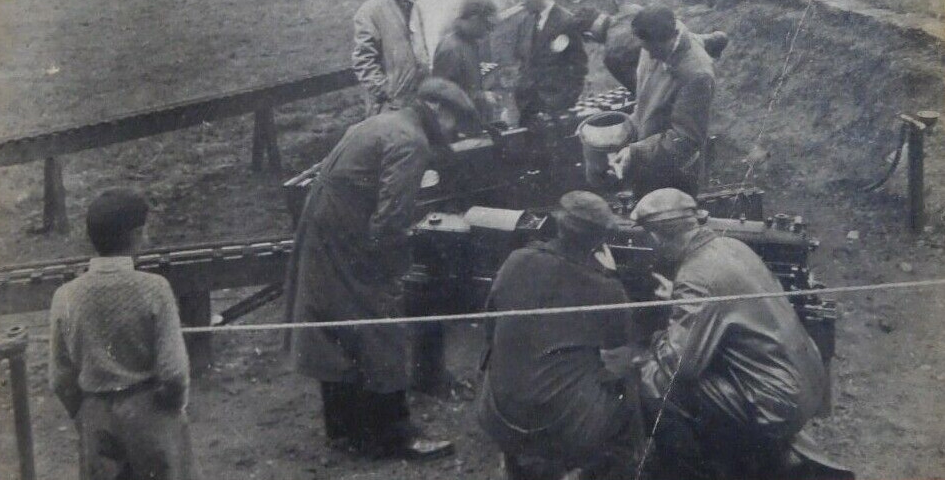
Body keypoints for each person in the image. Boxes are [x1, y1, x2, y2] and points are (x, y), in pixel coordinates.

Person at [284, 78, 479, 461]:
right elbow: (389, 221)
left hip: (324, 230)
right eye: (455, 121)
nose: (455, 131)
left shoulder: (383, 121)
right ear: (437, 110)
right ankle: (395, 435)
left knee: (335, 326)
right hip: (350, 238)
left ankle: (344, 430)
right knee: (381, 326)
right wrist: (395, 269)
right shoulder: (411, 142)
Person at [628, 188, 837, 480]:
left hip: (776, 403)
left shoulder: (696, 276)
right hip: (804, 381)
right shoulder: (731, 246)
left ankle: (695, 472)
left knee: (653, 379)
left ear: (656, 237)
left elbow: (680, 366)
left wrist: (645, 346)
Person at [477, 191, 644, 480]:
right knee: (632, 383)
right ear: (601, 238)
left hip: (497, 414)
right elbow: (618, 361)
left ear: (557, 223)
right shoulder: (607, 288)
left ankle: (518, 460)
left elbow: (490, 325)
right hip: (562, 426)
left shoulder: (517, 260)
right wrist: (611, 275)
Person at [49, 189, 201, 480]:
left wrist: (85, 412)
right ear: (136, 235)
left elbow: (59, 377)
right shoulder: (154, 289)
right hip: (150, 414)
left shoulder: (65, 296)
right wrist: (170, 409)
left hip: (96, 418)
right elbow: (174, 372)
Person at [607, 6, 716, 198]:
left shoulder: (697, 75)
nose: (649, 56)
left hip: (675, 174)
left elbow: (686, 140)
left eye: (653, 49)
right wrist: (628, 130)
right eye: (645, 48)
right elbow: (647, 100)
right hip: (648, 157)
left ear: (668, 39)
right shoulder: (653, 45)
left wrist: (635, 153)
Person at [352, 0, 431, 117]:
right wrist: (385, 92)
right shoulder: (370, 12)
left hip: (417, 99)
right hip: (389, 106)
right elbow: (363, 61)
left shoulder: (415, 8)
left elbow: (422, 48)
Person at [513, 0, 588, 126]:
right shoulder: (526, 22)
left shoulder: (566, 22)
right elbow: (524, 60)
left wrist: (562, 103)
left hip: (555, 109)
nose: (521, 3)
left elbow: (578, 68)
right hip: (528, 107)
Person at [432, 0, 499, 122]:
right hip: (455, 125)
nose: (489, 32)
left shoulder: (469, 44)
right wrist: (482, 98)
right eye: (487, 26)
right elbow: (444, 94)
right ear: (474, 19)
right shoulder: (451, 49)